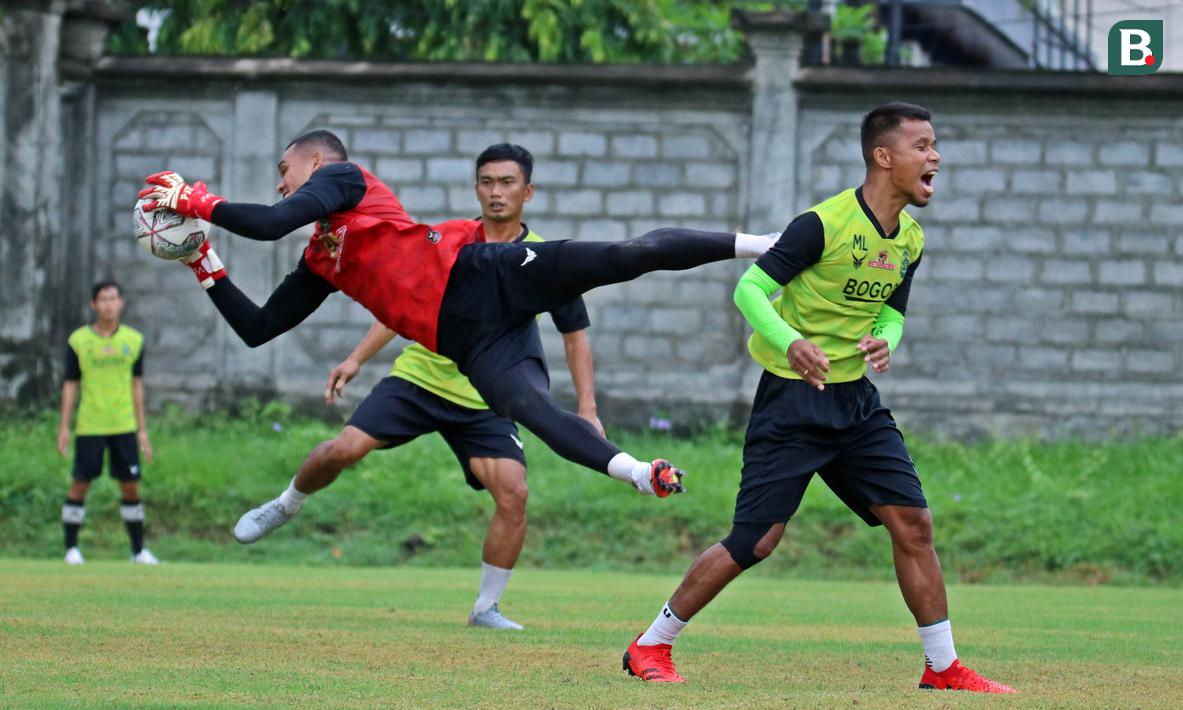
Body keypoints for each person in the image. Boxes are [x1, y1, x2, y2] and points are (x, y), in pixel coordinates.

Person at [137, 129, 776, 504]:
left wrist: (194, 197)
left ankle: (766, 245)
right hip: (464, 343)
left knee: (621, 256)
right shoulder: (322, 259)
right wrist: (203, 261)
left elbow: (271, 221)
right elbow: (257, 329)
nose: (280, 185)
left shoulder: (346, 181)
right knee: (533, 412)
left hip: (480, 278)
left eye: (284, 170)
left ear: (315, 162)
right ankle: (639, 472)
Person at [620, 102, 1016, 694]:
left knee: (913, 525)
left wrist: (884, 339)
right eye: (923, 146)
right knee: (756, 540)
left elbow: (892, 312)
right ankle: (651, 643)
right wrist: (792, 341)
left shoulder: (910, 239)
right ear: (884, 157)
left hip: (856, 402)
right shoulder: (821, 225)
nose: (935, 158)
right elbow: (750, 290)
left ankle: (943, 667)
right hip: (791, 401)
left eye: (935, 146)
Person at [233, 144, 602, 630]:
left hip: (484, 395)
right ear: (477, 188)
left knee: (514, 493)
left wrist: (588, 409)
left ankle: (486, 608)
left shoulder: (544, 258)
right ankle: (285, 505)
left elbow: (574, 334)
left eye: (507, 183)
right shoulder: (452, 240)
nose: (496, 192)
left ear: (527, 192)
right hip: (421, 376)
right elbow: (403, 299)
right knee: (344, 449)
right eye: (487, 182)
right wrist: (355, 359)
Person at [57, 280, 159, 565]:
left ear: (121, 303)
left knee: (131, 486)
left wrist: (142, 430)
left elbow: (137, 386)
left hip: (123, 424)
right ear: (93, 304)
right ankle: (71, 549)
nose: (108, 304)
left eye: (113, 298)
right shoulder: (78, 341)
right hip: (90, 424)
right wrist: (64, 426)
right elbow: (70, 385)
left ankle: (138, 551)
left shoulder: (133, 340)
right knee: (79, 485)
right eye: (102, 299)